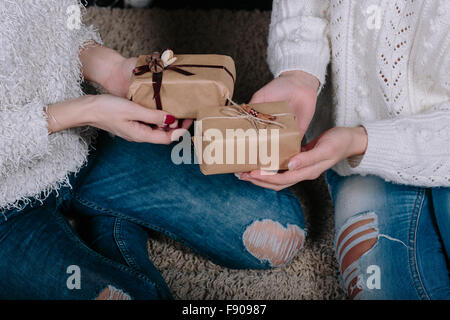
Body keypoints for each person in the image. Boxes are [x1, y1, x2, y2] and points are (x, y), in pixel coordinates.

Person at [0, 0, 306, 299]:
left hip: (78, 144)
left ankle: (111, 217)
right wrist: (87, 110)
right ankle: (118, 219)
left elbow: (50, 27)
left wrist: (112, 69)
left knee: (281, 227)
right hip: (6, 202)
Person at [243, 0, 450, 299]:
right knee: (380, 287)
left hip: (372, 140)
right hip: (354, 138)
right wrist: (298, 73)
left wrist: (364, 141)